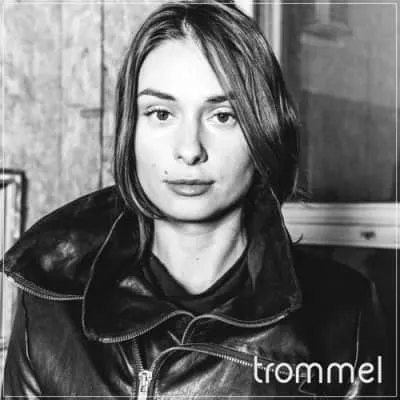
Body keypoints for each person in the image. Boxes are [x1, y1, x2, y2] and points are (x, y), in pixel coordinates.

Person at [2, 0, 388, 398]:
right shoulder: (49, 298)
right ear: (130, 132)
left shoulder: (345, 314)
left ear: (264, 133)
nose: (189, 150)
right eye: (161, 114)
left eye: (222, 116)